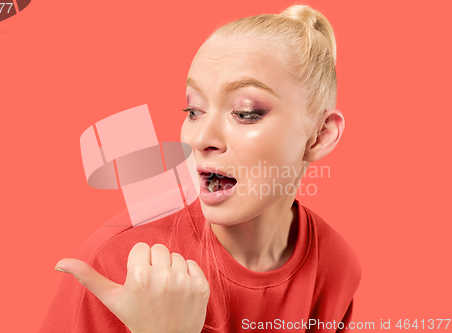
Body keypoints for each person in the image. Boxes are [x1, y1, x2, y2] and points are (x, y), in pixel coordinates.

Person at [39, 4, 361, 333]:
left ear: (320, 135)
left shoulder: (336, 267)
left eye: (245, 112)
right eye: (194, 110)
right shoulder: (118, 264)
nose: (200, 138)